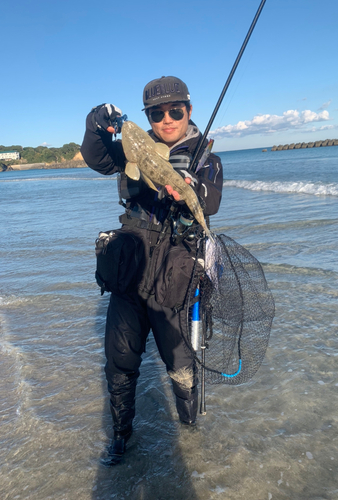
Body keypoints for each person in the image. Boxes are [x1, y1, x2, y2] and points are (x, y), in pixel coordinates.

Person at [81, 76, 223, 466]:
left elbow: (209, 203)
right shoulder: (135, 146)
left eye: (175, 111)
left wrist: (189, 183)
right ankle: (121, 435)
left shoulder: (205, 157)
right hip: (132, 270)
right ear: (147, 117)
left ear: (188, 110)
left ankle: (191, 435)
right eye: (156, 113)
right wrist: (96, 124)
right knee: (120, 359)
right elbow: (97, 157)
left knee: (179, 361)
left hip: (175, 277)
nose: (166, 119)